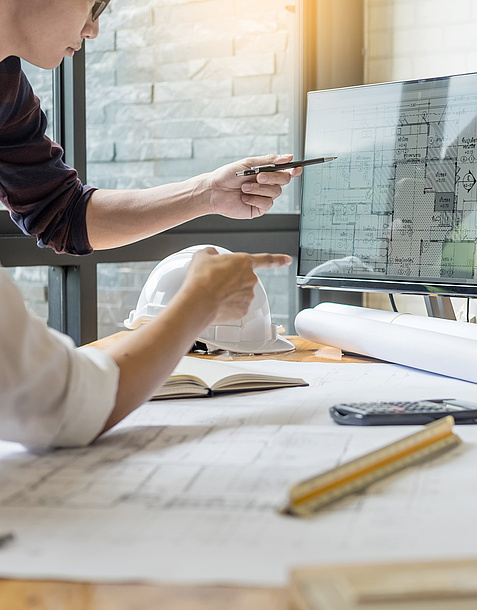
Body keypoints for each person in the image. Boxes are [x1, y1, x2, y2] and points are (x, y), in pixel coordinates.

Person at [0, 0, 301, 450]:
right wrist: (197, 303)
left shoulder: (7, 93)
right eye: (92, 4)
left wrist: (207, 193)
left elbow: (62, 213)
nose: (94, 29)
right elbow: (61, 405)